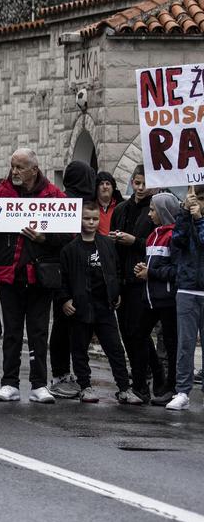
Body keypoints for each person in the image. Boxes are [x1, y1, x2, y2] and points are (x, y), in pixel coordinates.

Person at [0, 148, 66, 404]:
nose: (14, 172)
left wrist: (45, 238)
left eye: (20, 167)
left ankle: (39, 384)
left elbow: (68, 236)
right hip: (10, 275)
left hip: (41, 277)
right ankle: (9, 383)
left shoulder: (54, 196)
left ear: (34, 170)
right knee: (13, 332)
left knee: (39, 332)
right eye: (12, 166)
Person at [59, 202, 142, 404]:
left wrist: (117, 292)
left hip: (104, 306)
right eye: (87, 218)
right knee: (79, 349)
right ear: (79, 219)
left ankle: (124, 389)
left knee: (115, 348)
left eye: (95, 219)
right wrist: (65, 299)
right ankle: (85, 386)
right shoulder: (70, 249)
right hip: (80, 307)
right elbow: (63, 279)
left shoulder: (107, 244)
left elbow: (117, 269)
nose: (91, 222)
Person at [110, 165, 163, 401]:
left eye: (144, 184)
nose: (140, 188)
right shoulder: (121, 208)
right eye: (136, 183)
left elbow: (155, 245)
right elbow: (113, 245)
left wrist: (133, 241)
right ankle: (151, 377)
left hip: (142, 279)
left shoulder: (155, 210)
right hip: (122, 278)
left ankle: (142, 383)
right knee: (129, 333)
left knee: (138, 333)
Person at [46, 161, 97, 400]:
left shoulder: (79, 202)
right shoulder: (67, 203)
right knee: (63, 325)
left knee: (71, 325)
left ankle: (66, 373)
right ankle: (60, 374)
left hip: (76, 271)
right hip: (66, 272)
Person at [134, 192, 180, 407]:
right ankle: (151, 378)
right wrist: (143, 268)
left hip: (168, 300)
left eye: (153, 210)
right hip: (151, 298)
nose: (150, 214)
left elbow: (177, 270)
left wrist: (150, 273)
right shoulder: (153, 235)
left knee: (171, 345)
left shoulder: (175, 236)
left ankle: (171, 388)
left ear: (163, 211)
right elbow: (154, 265)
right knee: (138, 335)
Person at [167, 187, 204, 411]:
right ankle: (182, 391)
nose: (196, 202)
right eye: (195, 197)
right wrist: (183, 213)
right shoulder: (186, 218)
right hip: (188, 289)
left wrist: (199, 219)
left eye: (201, 198)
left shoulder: (198, 220)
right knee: (185, 344)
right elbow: (176, 242)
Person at [95, 170, 123, 236]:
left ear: (113, 188)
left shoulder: (121, 206)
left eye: (108, 183)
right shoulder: (90, 206)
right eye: (101, 184)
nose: (105, 187)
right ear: (96, 188)